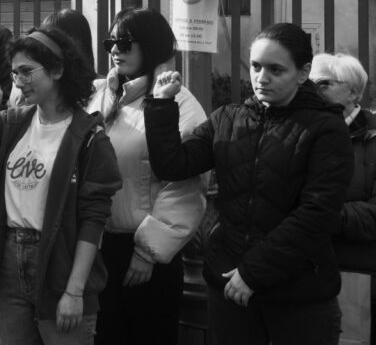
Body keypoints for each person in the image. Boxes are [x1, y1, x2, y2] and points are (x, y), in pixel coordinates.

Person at [145, 23, 353, 345]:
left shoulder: (326, 128)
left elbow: (318, 212)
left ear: (303, 72)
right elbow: (173, 165)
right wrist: (161, 104)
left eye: (276, 69)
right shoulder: (228, 118)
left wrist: (253, 272)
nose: (261, 77)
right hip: (230, 287)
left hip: (298, 295)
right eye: (256, 66)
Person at [0, 28, 121, 345]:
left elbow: (93, 220)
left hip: (60, 265)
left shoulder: (89, 136)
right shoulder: (12, 122)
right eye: (14, 72)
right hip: (7, 261)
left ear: (58, 70)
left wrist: (74, 291)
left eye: (26, 71)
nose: (18, 81)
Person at [87, 7, 207, 345]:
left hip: (146, 254)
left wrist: (148, 251)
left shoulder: (179, 103)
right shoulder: (101, 95)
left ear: (151, 46)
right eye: (111, 41)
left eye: (125, 42)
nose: (114, 50)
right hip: (96, 247)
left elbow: (186, 185)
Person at [309, 53, 376, 344]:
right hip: (300, 268)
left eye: (323, 83)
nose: (312, 91)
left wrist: (322, 215)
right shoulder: (303, 131)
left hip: (354, 269)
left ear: (352, 91)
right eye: (309, 83)